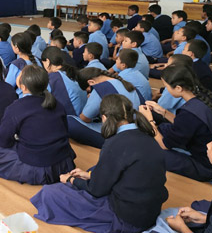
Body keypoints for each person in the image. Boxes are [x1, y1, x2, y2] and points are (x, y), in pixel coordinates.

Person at [32, 95, 168, 233]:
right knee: (93, 170)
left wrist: (71, 180)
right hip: (150, 212)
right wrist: (89, 175)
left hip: (128, 219)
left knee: (50, 192)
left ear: (104, 118)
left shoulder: (115, 144)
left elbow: (96, 190)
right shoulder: (147, 136)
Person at [0, 64, 75, 185]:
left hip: (39, 167)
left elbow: (2, 140)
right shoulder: (57, 104)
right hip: (64, 163)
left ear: (23, 87)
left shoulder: (16, 107)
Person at [139, 63, 212, 181]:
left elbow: (164, 144)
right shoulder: (207, 97)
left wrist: (149, 120)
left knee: (151, 150)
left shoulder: (189, 114)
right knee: (163, 128)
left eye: (166, 86)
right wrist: (163, 112)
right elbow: (186, 124)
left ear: (178, 88)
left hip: (206, 166)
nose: (166, 89)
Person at [67, 67, 143, 148]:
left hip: (120, 135)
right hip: (139, 127)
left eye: (89, 90)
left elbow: (84, 118)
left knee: (68, 121)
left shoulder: (101, 88)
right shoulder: (124, 83)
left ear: (91, 82)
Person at [41, 46, 87, 116]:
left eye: (43, 63)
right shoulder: (70, 72)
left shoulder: (53, 77)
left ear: (48, 61)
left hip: (71, 119)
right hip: (81, 115)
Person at [5, 32, 38, 96]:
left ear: (17, 48)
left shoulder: (16, 65)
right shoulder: (37, 60)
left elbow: (8, 86)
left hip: (21, 97)